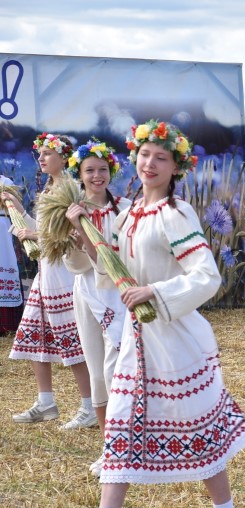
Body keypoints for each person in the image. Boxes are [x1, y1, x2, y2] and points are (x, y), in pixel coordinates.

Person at [48, 119, 245, 508]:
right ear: (135, 158)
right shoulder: (130, 214)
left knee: (199, 429)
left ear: (176, 166)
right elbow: (110, 269)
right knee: (120, 424)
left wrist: (155, 293)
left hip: (175, 338)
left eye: (161, 157)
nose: (150, 163)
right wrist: (84, 234)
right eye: (145, 154)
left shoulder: (175, 213)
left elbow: (206, 275)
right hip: (138, 339)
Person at [8, 133, 93, 428]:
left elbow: (71, 236)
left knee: (73, 344)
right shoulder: (49, 187)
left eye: (47, 153)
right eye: (40, 154)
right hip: (46, 274)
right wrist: (18, 212)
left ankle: (90, 405)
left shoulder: (71, 189)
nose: (41, 158)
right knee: (34, 338)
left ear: (63, 157)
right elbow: (44, 230)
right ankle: (46, 402)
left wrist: (35, 235)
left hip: (63, 276)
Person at [62, 140, 131, 475]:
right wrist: (73, 231)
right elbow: (74, 265)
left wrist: (87, 236)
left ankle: (126, 443)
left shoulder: (125, 209)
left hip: (118, 292)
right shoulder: (69, 212)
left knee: (116, 367)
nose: (97, 175)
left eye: (103, 169)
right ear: (80, 174)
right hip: (87, 291)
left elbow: (122, 256)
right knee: (96, 370)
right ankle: (110, 448)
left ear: (111, 172)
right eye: (89, 170)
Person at [0, 174, 24, 335]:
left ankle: (6, 325)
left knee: (6, 263)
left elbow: (15, 208)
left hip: (3, 227)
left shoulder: (5, 182)